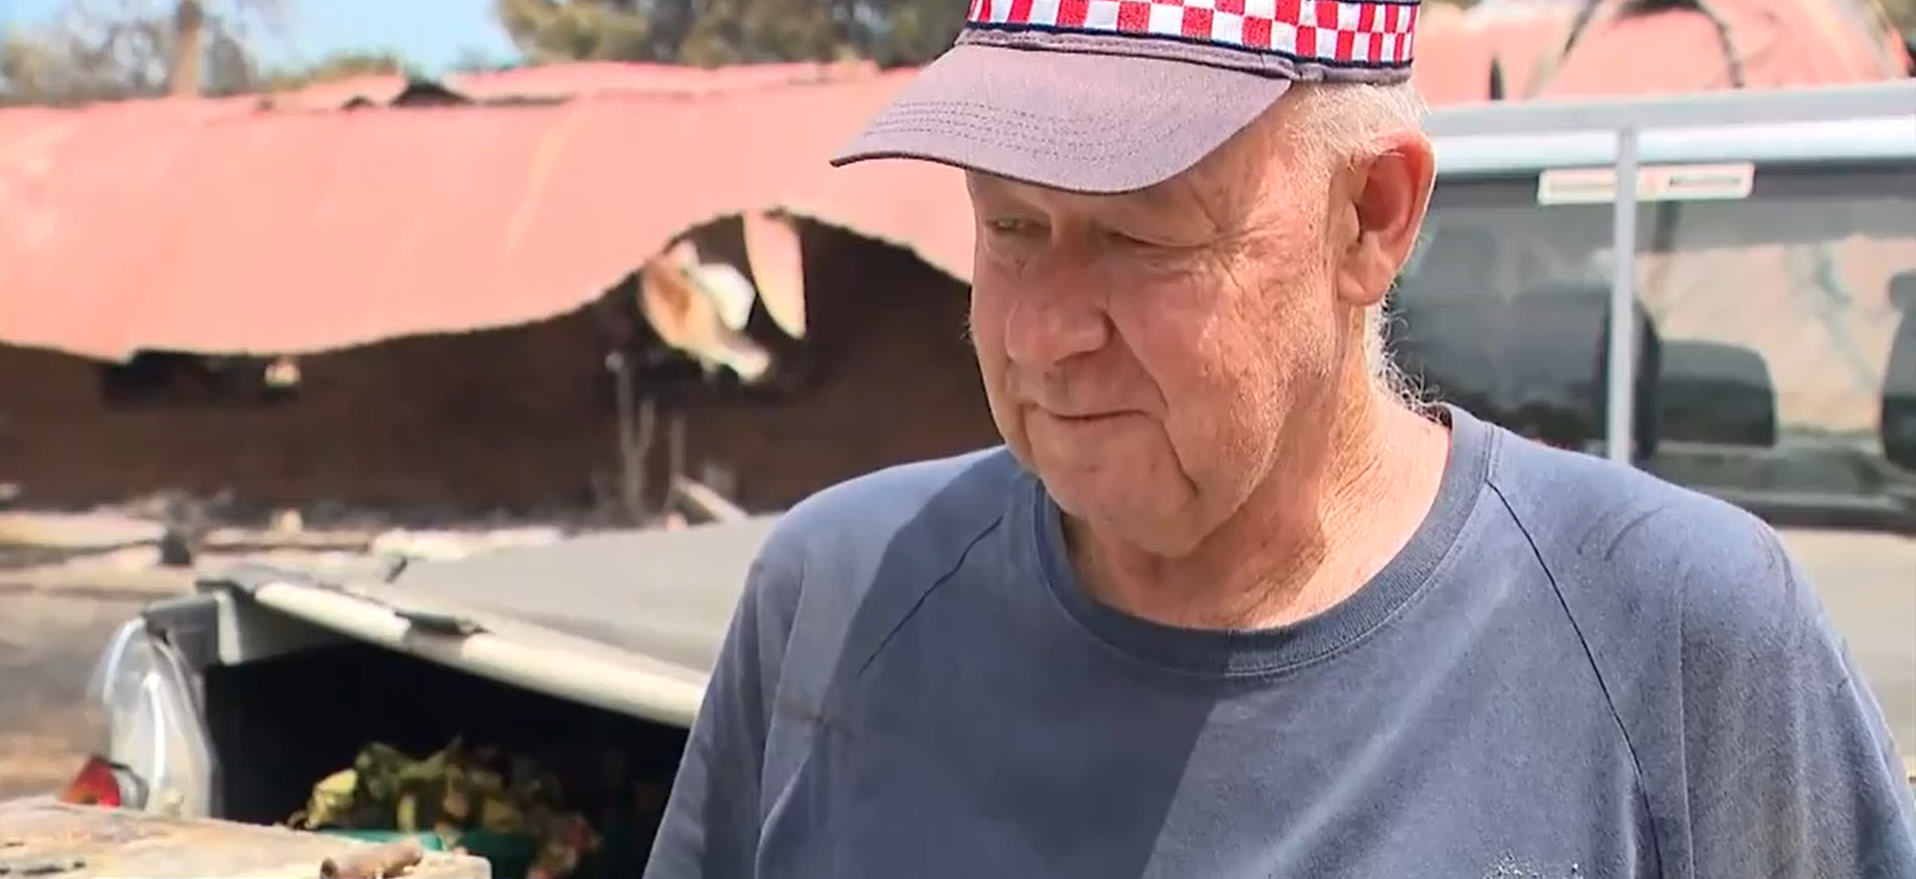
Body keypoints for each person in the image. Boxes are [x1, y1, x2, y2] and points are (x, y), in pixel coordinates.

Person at [642, 0, 1916, 875]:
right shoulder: (840, 599)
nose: (1043, 332)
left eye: (1139, 235)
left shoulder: (1675, 639)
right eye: (1009, 228)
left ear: (1370, 217)